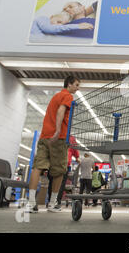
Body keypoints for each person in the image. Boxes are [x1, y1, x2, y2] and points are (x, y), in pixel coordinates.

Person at [26, 76, 80, 213]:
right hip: (58, 138)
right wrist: (57, 130)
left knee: (37, 167)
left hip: (45, 136)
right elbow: (61, 111)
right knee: (59, 171)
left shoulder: (55, 96)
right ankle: (52, 203)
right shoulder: (67, 96)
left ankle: (31, 203)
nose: (78, 88)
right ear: (69, 84)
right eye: (76, 85)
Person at [46, 136, 80, 207]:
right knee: (61, 183)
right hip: (64, 163)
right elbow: (76, 151)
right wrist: (77, 157)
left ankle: (50, 201)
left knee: (52, 182)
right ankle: (56, 201)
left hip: (52, 161)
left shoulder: (54, 134)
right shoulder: (71, 138)